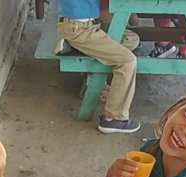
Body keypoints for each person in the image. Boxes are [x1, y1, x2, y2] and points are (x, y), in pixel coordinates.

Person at [56, 0, 142, 133]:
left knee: (131, 39)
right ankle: (113, 118)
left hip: (85, 24)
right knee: (127, 61)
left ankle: (80, 50)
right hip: (80, 29)